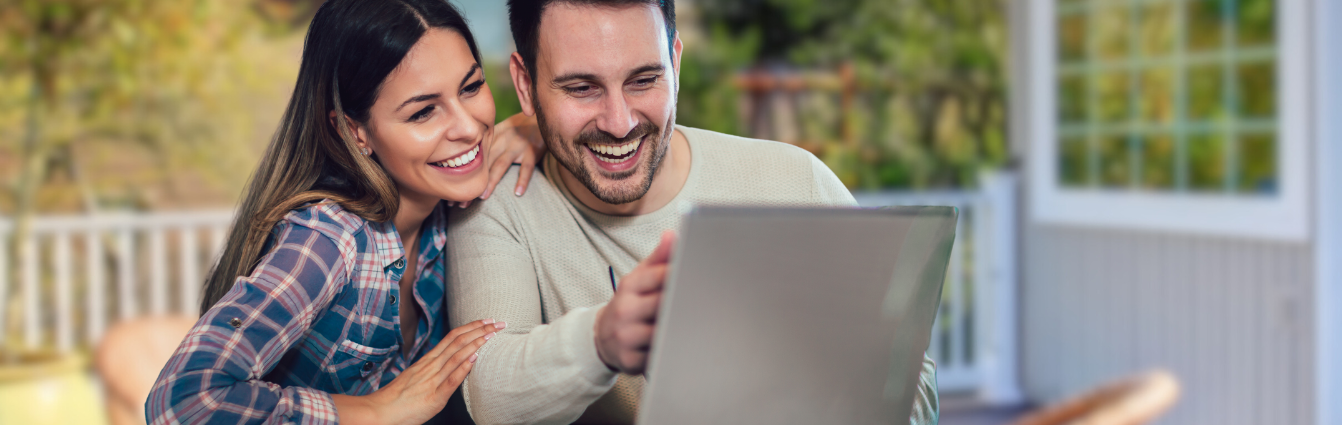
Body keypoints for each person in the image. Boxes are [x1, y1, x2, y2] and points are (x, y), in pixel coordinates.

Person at [443, 1, 939, 424]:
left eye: (643, 80)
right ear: (525, 86)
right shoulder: (495, 201)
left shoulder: (794, 181)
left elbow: (911, 376)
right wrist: (601, 342)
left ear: (675, 63)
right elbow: (490, 391)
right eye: (581, 88)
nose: (620, 123)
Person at [143, 0, 545, 423]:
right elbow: (182, 400)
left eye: (471, 87)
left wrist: (534, 127)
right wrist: (376, 410)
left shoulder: (446, 206)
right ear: (354, 130)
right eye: (423, 111)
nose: (468, 126)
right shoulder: (329, 240)